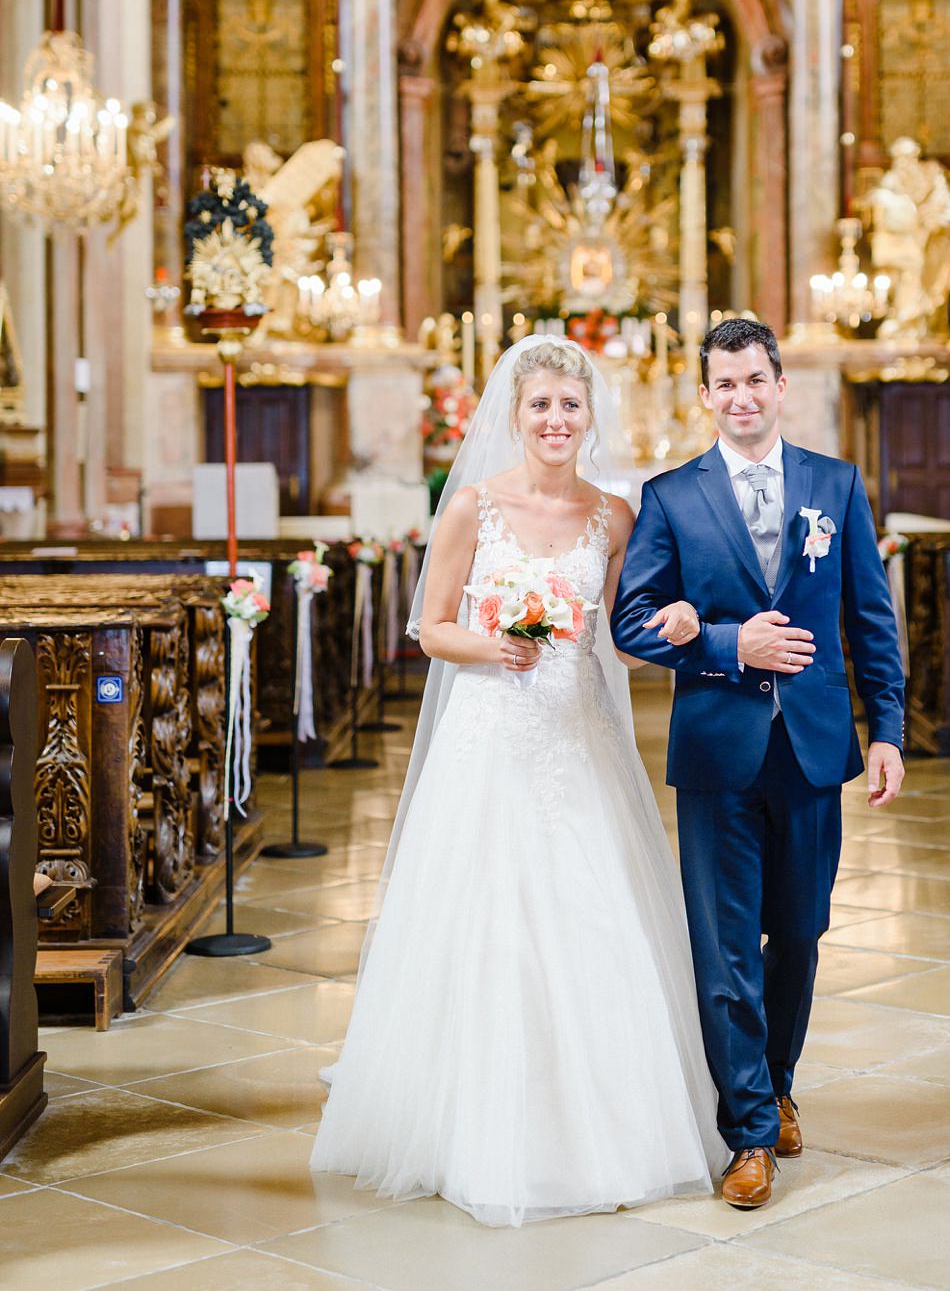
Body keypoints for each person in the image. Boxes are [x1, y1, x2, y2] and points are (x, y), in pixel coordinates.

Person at [311, 336, 728, 1225]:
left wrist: (678, 624)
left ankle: (610, 1124)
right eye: (540, 404)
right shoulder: (473, 506)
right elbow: (430, 627)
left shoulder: (616, 516)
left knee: (594, 912)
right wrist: (492, 645)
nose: (555, 420)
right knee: (485, 920)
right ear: (515, 413)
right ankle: (474, 1125)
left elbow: (622, 637)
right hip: (490, 734)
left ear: (589, 416)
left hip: (579, 736)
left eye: (570, 406)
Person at [611, 316, 906, 1211]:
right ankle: (747, 1129)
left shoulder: (836, 484)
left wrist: (887, 728)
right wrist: (729, 643)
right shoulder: (671, 497)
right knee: (726, 944)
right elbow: (631, 622)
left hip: (813, 744)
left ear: (781, 386)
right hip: (717, 747)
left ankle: (777, 1083)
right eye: (724, 383)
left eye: (754, 379)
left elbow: (870, 616)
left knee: (801, 931)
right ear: (704, 396)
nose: (740, 396)